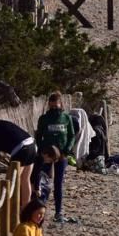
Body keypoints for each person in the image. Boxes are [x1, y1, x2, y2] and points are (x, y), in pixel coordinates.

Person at [33, 92, 76, 223]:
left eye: (56, 106)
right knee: (43, 182)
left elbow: (72, 135)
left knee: (58, 183)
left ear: (60, 104)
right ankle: (40, 210)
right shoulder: (44, 119)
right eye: (51, 107)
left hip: (61, 154)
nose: (54, 109)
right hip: (47, 154)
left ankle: (58, 212)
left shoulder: (66, 118)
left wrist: (67, 150)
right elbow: (38, 136)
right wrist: (41, 150)